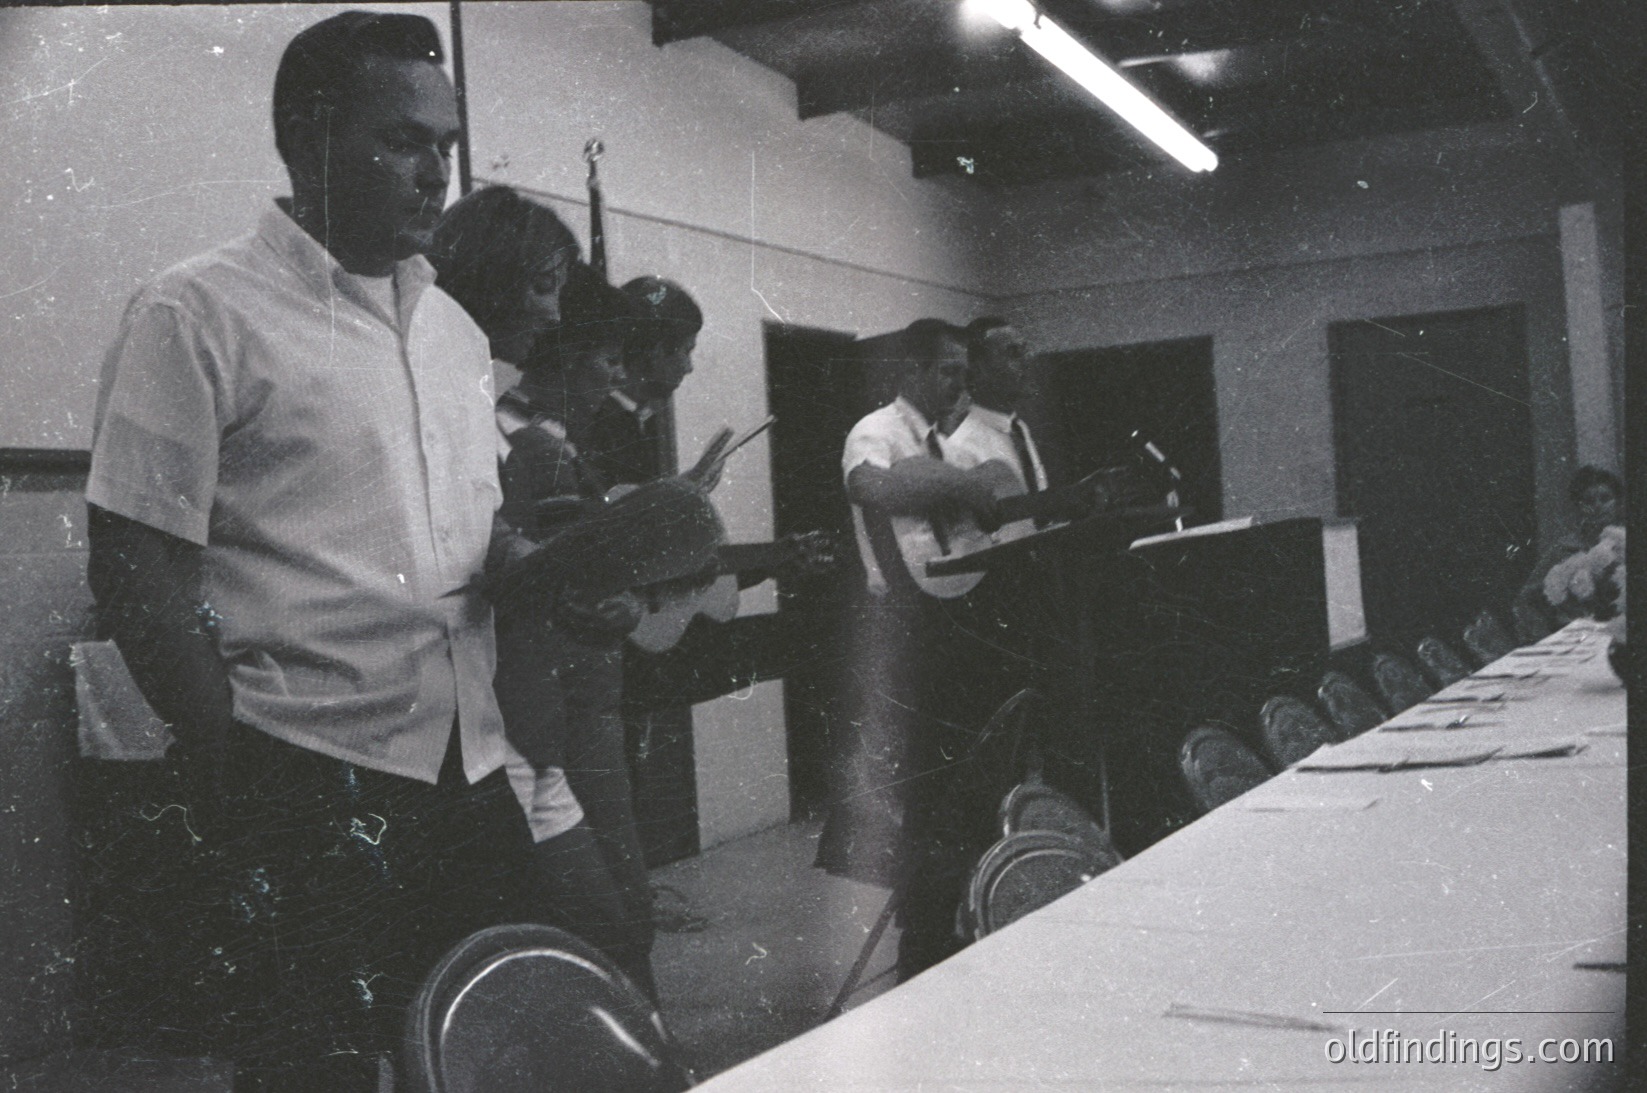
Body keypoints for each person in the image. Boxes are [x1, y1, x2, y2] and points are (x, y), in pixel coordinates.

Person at [83, 13, 540, 1089]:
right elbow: (136, 563)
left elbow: (468, 537)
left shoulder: (455, 334)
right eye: (403, 141)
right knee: (314, 1071)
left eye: (446, 144)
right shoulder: (196, 312)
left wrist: (553, 567)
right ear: (306, 137)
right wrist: (231, 753)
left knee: (493, 1053)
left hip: (468, 769)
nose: (437, 173)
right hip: (300, 779)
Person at [430, 187, 660, 995]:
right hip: (455, 735)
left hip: (516, 726)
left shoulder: (480, 411)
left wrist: (577, 589)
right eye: (542, 284)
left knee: (606, 933)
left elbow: (488, 557)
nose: (557, 312)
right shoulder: (485, 420)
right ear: (486, 281)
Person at [822, 318, 1016, 980]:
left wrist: (969, 486)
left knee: (966, 789)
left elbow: (990, 501)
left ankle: (958, 934)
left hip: (951, 625)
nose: (961, 385)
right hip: (903, 633)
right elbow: (872, 487)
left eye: (966, 373)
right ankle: (924, 953)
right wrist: (962, 487)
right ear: (908, 371)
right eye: (948, 371)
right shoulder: (875, 430)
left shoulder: (944, 444)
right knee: (928, 800)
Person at [584, 276, 704, 487]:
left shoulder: (631, 418)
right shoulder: (602, 424)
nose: (689, 367)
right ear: (656, 351)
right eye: (686, 351)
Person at [1513, 465, 1626, 638]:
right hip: (1579, 637)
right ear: (1578, 507)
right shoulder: (1564, 548)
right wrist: (1543, 635)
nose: (1597, 506)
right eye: (1588, 501)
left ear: (1617, 503)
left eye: (1605, 498)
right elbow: (1525, 599)